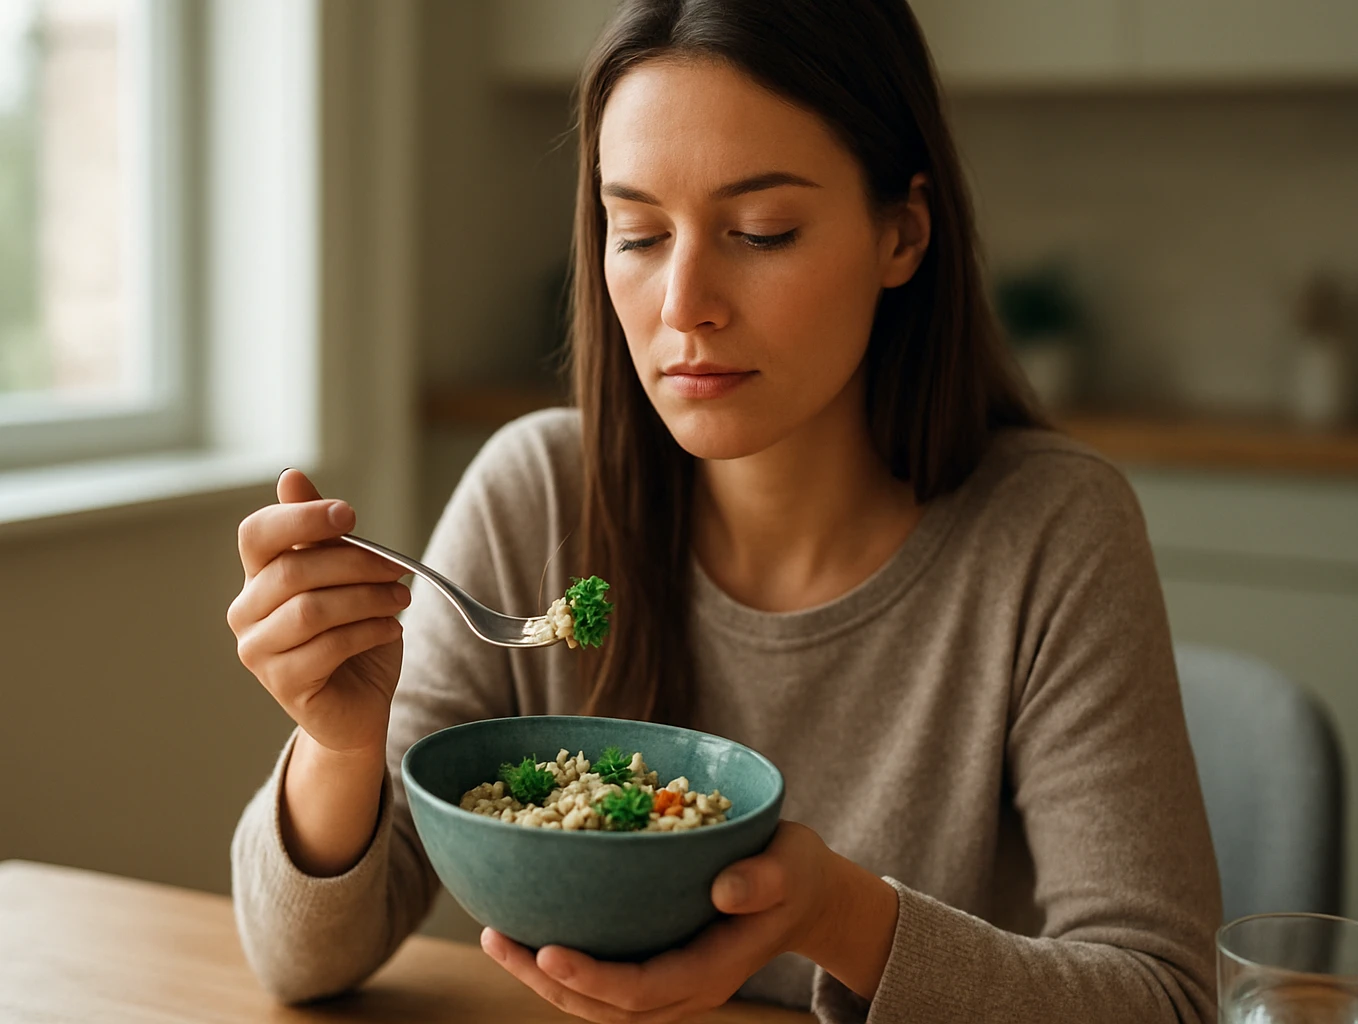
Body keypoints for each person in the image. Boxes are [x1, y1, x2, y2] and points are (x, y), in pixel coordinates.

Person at [226, 1, 1221, 1021]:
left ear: (903, 232)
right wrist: (340, 745)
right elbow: (303, 963)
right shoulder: (536, 499)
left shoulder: (1051, 532)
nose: (683, 302)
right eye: (641, 232)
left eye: (760, 231)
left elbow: (1164, 999)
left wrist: (837, 913)